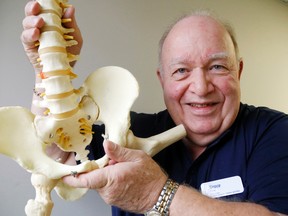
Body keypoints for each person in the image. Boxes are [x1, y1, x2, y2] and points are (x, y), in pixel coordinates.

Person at [21, 1, 288, 216]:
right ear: (162, 80)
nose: (201, 87)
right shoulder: (127, 129)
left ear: (238, 72)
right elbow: (55, 153)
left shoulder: (276, 132)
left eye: (217, 67)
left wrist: (157, 193)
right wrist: (48, 70)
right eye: (181, 71)